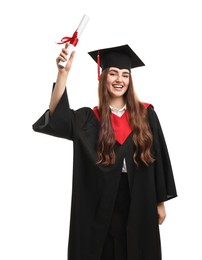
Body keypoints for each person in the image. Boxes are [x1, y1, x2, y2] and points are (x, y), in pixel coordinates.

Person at [33, 43, 177, 260]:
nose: (120, 80)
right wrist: (63, 73)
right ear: (103, 78)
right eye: (113, 73)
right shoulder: (90, 120)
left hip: (140, 197)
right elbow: (58, 118)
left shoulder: (146, 115)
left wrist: (159, 201)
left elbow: (159, 158)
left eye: (125, 75)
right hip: (101, 201)